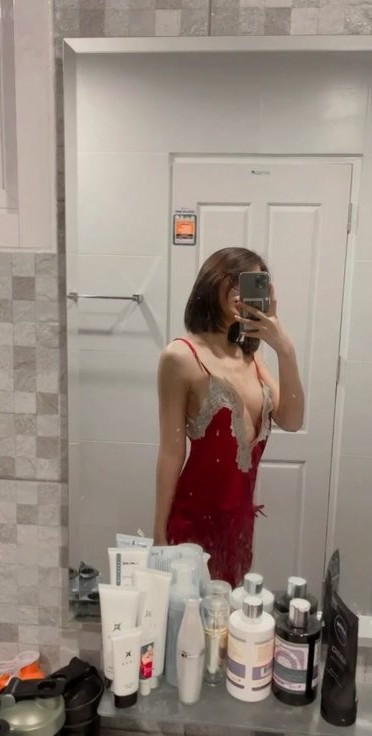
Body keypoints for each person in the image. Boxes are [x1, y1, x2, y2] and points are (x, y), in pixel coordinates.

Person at [153, 247, 304, 587]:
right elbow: (171, 452)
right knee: (189, 617)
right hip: (192, 526)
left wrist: (285, 348)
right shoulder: (181, 356)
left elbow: (292, 420)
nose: (242, 290)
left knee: (231, 616)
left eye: (253, 283)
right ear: (212, 280)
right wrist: (158, 532)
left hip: (239, 530)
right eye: (235, 279)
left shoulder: (251, 357)